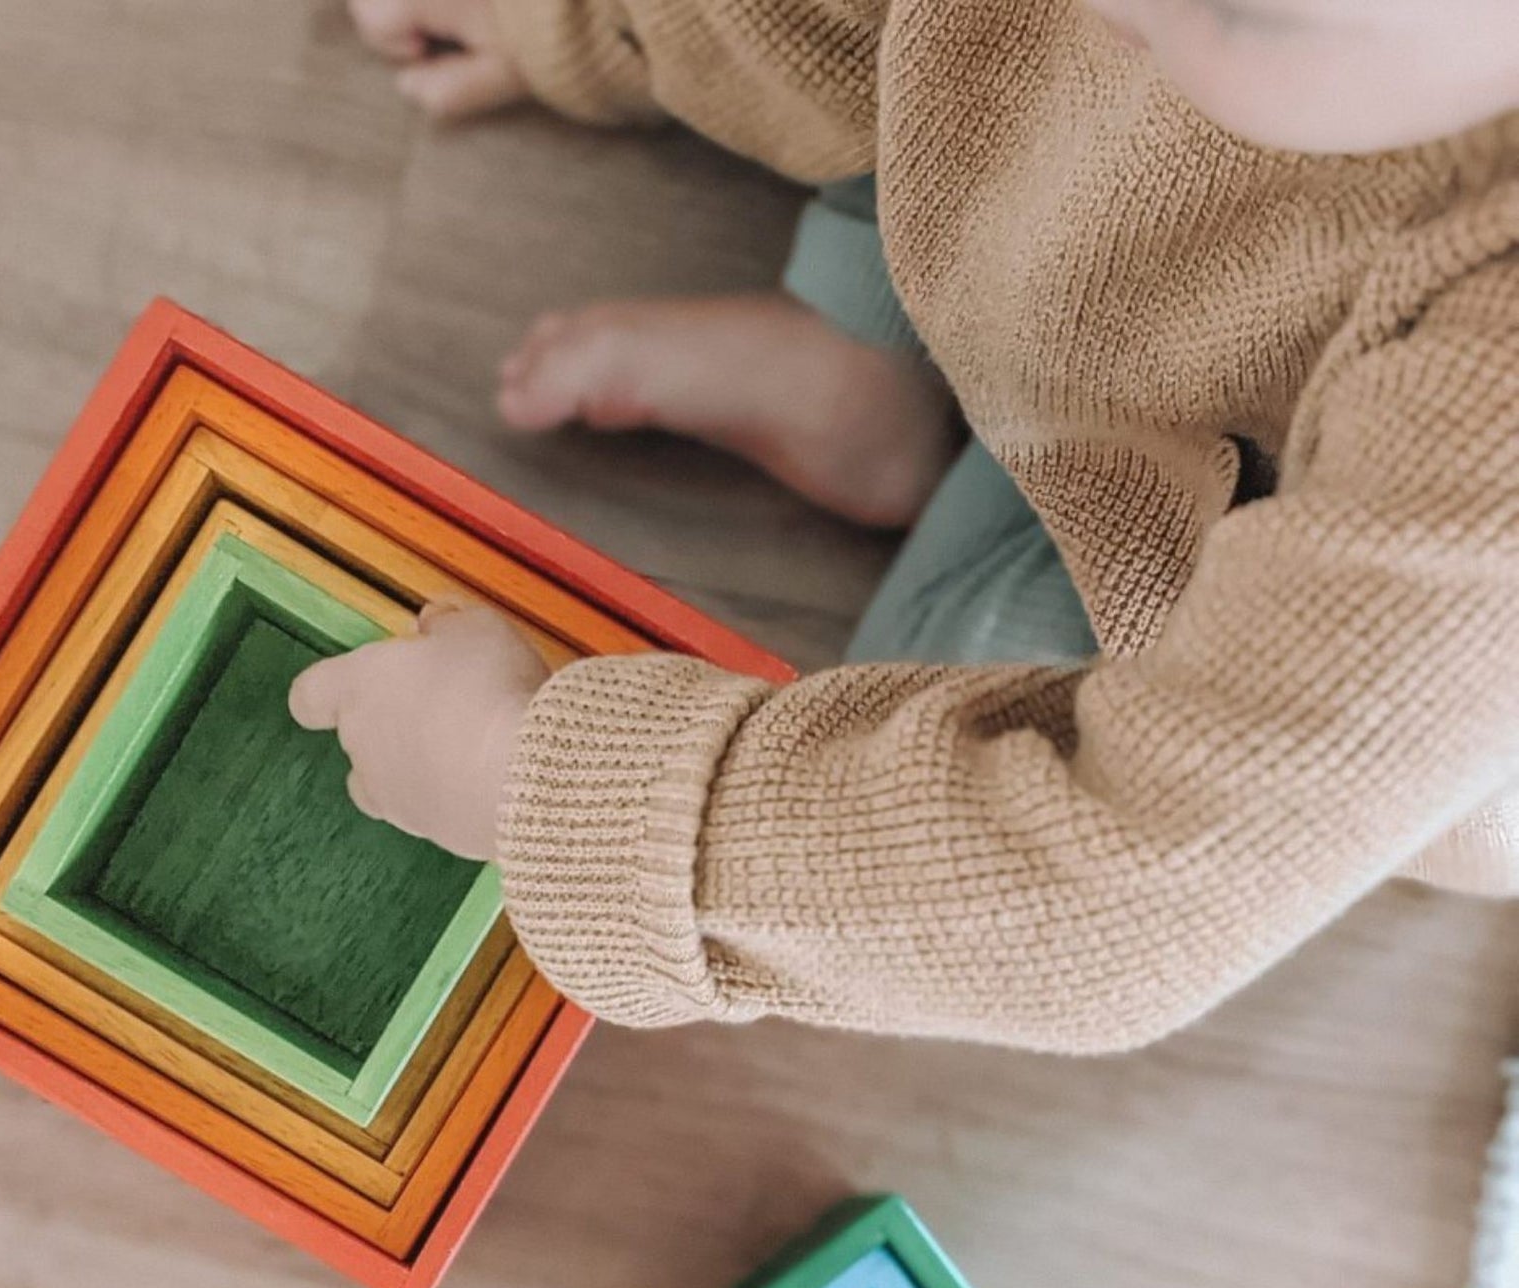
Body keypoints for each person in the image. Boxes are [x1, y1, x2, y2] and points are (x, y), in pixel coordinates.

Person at [290, 0, 1519, 1050]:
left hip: (1231, 584)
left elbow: (1119, 891)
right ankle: (864, 365)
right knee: (935, 69)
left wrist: (529, 787)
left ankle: (905, 381)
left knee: (909, 736)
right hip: (1061, 274)